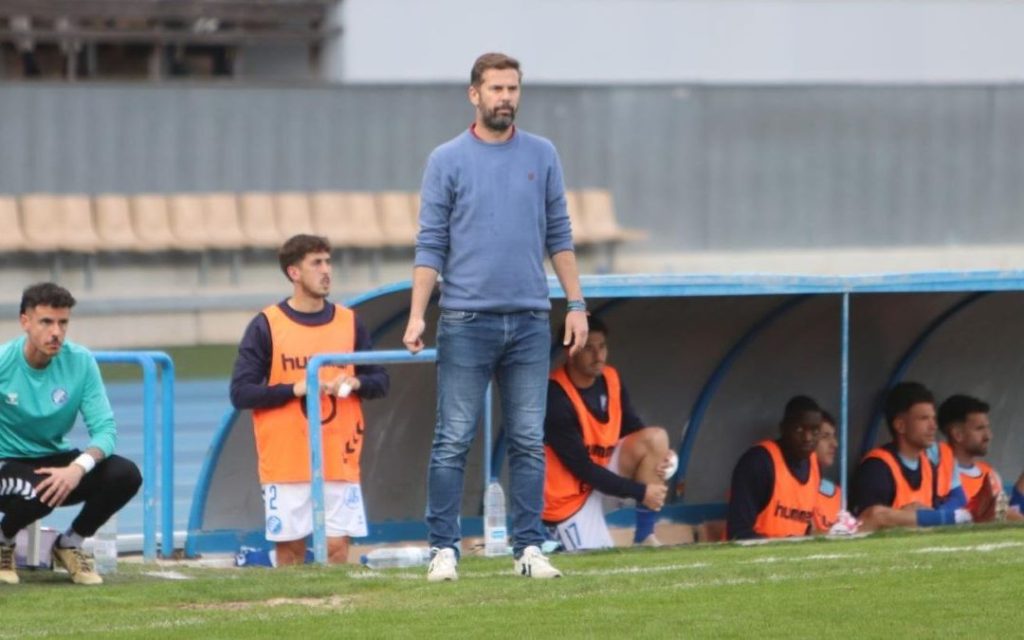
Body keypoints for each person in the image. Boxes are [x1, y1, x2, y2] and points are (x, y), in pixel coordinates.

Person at [403, 52, 588, 581]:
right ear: (474, 95)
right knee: (453, 438)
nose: (506, 97)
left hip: (530, 320)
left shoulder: (543, 153)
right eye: (496, 89)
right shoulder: (446, 159)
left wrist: (576, 305)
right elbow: (430, 243)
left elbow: (560, 233)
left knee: (529, 439)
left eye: (513, 88)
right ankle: (444, 549)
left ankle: (528, 549)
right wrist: (418, 315)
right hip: (464, 320)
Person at [230, 234, 389, 566]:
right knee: (291, 552)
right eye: (316, 263)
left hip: (338, 457)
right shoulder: (267, 326)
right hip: (287, 460)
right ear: (294, 273)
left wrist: (356, 381)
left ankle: (333, 613)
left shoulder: (349, 322)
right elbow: (241, 392)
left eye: (328, 262)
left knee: (336, 548)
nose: (326, 270)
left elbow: (381, 380)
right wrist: (293, 389)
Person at [0, 283, 142, 585]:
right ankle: (3, 539)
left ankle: (70, 543)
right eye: (46, 322)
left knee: (126, 474)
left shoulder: (80, 361)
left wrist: (77, 469)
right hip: (7, 461)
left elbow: (105, 429)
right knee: (37, 490)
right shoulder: (3, 362)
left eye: (63, 322)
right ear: (25, 322)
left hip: (55, 459)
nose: (56, 332)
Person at [542, 316, 674, 550]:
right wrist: (641, 492)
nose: (598, 355)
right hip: (570, 496)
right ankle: (550, 536)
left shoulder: (611, 378)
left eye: (602, 346)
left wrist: (665, 457)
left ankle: (645, 535)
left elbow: (633, 428)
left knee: (656, 438)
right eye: (588, 348)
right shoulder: (556, 396)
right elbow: (582, 468)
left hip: (603, 472)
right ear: (570, 351)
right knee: (595, 566)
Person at [850, 382, 976, 531]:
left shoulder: (928, 461)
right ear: (900, 425)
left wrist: (932, 515)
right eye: (923, 419)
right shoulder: (877, 467)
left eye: (933, 418)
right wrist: (940, 518)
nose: (933, 426)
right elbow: (868, 521)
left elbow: (958, 498)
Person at [726, 396, 823, 540]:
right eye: (799, 429)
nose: (808, 438)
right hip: (754, 557)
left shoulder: (813, 463)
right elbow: (738, 532)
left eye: (815, 431)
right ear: (783, 428)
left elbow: (805, 526)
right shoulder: (759, 461)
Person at [937, 394, 1023, 519]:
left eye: (987, 428)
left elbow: (1003, 515)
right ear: (957, 434)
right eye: (979, 429)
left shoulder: (990, 473)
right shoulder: (936, 471)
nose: (988, 436)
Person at [811, 411, 841, 532]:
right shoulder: (790, 486)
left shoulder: (836, 492)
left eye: (833, 436)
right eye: (825, 437)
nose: (835, 444)